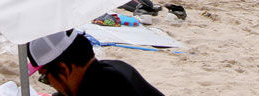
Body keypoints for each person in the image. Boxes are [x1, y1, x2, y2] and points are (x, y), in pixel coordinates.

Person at [28, 29, 165, 96]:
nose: (51, 85)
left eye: (45, 78)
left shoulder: (110, 88)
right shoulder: (105, 71)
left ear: (64, 69)